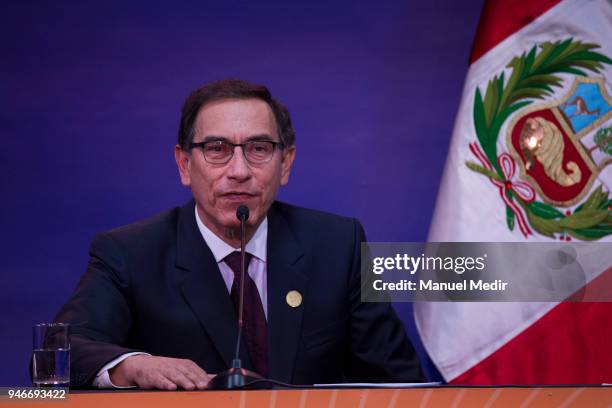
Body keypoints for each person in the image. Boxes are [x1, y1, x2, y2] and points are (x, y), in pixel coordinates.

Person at [53, 79, 424, 389]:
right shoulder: (130, 254)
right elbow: (60, 351)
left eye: (258, 149)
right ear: (184, 164)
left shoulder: (338, 245)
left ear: (286, 164)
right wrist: (133, 365)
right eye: (217, 149)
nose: (239, 170)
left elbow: (400, 382)